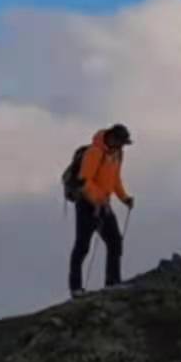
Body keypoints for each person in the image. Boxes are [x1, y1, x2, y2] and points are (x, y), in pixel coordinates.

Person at [70, 123, 135, 297]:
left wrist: (124, 198)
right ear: (112, 138)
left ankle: (112, 282)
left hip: (103, 204)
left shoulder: (117, 154)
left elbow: (115, 180)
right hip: (86, 204)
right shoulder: (94, 153)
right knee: (82, 246)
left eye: (123, 144)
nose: (122, 147)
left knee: (115, 241)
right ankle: (76, 288)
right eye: (120, 142)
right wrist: (98, 200)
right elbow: (84, 181)